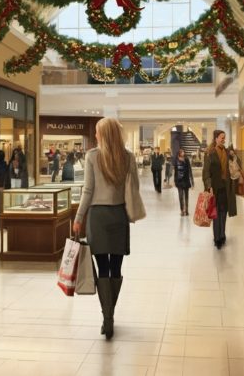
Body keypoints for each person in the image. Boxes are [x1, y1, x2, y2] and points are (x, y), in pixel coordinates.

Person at [72, 117, 137, 340]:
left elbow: (87, 191)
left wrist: (79, 217)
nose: (96, 136)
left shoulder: (92, 156)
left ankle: (106, 318)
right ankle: (110, 315)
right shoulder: (127, 157)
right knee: (116, 267)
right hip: (119, 215)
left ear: (104, 134)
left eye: (98, 132)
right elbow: (133, 189)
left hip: (97, 217)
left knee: (102, 268)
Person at [202, 130, 237, 250]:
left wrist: (234, 156)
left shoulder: (228, 152)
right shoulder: (210, 153)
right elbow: (206, 172)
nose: (224, 140)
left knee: (223, 213)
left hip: (226, 188)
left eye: (224, 138)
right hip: (215, 188)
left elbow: (237, 167)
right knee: (216, 213)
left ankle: (222, 234)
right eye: (222, 138)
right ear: (216, 138)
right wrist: (208, 185)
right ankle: (217, 237)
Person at [174, 149, 194, 216]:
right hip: (179, 181)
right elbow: (175, 172)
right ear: (179, 153)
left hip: (186, 181)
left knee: (186, 196)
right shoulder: (176, 160)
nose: (183, 153)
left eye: (183, 152)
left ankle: (187, 210)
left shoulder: (186, 160)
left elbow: (190, 170)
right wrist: (175, 181)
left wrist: (192, 182)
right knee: (180, 196)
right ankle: (182, 210)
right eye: (182, 152)